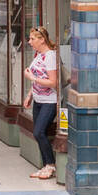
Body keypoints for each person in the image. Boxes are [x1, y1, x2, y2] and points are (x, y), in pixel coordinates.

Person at [25, 26, 60, 180]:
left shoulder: (50, 56)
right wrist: (29, 95)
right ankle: (45, 165)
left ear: (42, 40)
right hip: (38, 100)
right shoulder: (38, 55)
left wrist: (32, 79)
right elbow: (37, 75)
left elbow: (53, 82)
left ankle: (51, 165)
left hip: (49, 101)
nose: (29, 42)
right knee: (39, 133)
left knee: (39, 132)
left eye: (32, 39)